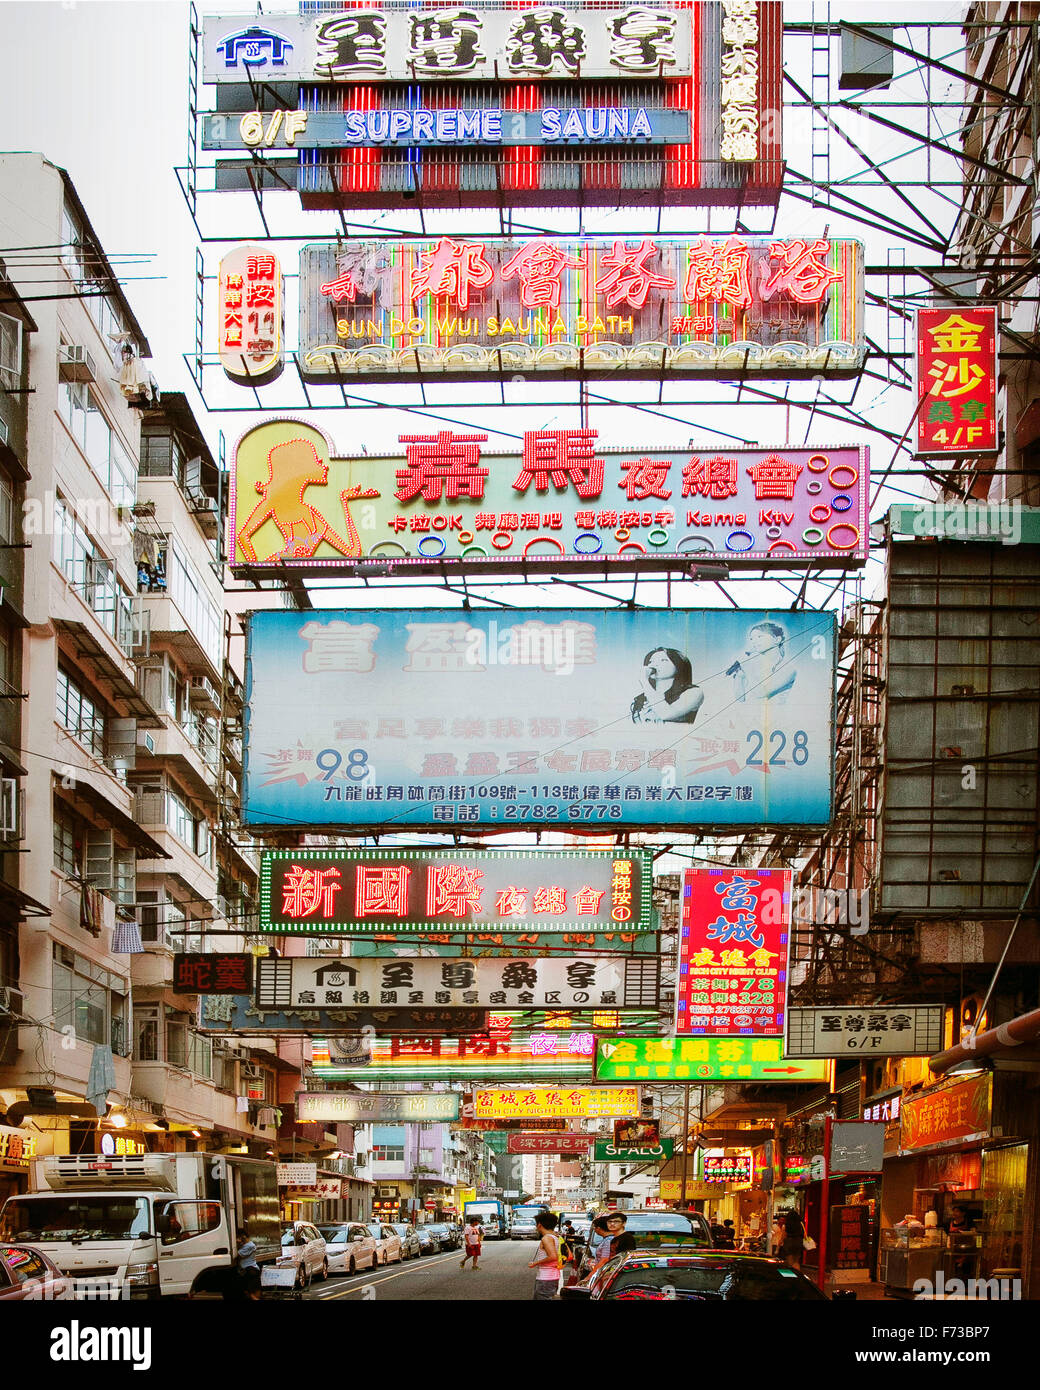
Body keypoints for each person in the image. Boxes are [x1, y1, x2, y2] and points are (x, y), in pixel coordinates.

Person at [630, 648, 704, 725]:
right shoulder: (641, 699)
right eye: (651, 661)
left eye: (663, 660)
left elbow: (666, 714)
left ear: (679, 665)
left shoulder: (694, 692)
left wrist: (644, 681)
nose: (655, 664)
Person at [727, 621, 796, 703]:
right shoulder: (754, 665)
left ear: (777, 639)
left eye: (760, 637)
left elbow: (760, 693)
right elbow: (740, 699)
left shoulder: (788, 668)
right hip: (751, 714)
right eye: (752, 639)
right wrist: (739, 677)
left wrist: (746, 668)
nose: (754, 641)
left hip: (777, 714)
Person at [529, 1210, 561, 1300]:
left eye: (536, 1224)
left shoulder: (547, 1238)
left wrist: (535, 1263)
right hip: (552, 1277)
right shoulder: (557, 1237)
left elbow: (553, 1256)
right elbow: (569, 1255)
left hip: (546, 1278)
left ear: (540, 1225)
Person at [236, 1228, 261, 1301]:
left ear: (243, 1236)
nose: (237, 1239)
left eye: (238, 1237)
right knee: (248, 1292)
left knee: (251, 1294)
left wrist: (237, 1243)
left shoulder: (249, 1246)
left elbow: (238, 1255)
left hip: (250, 1271)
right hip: (248, 1270)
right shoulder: (246, 1245)